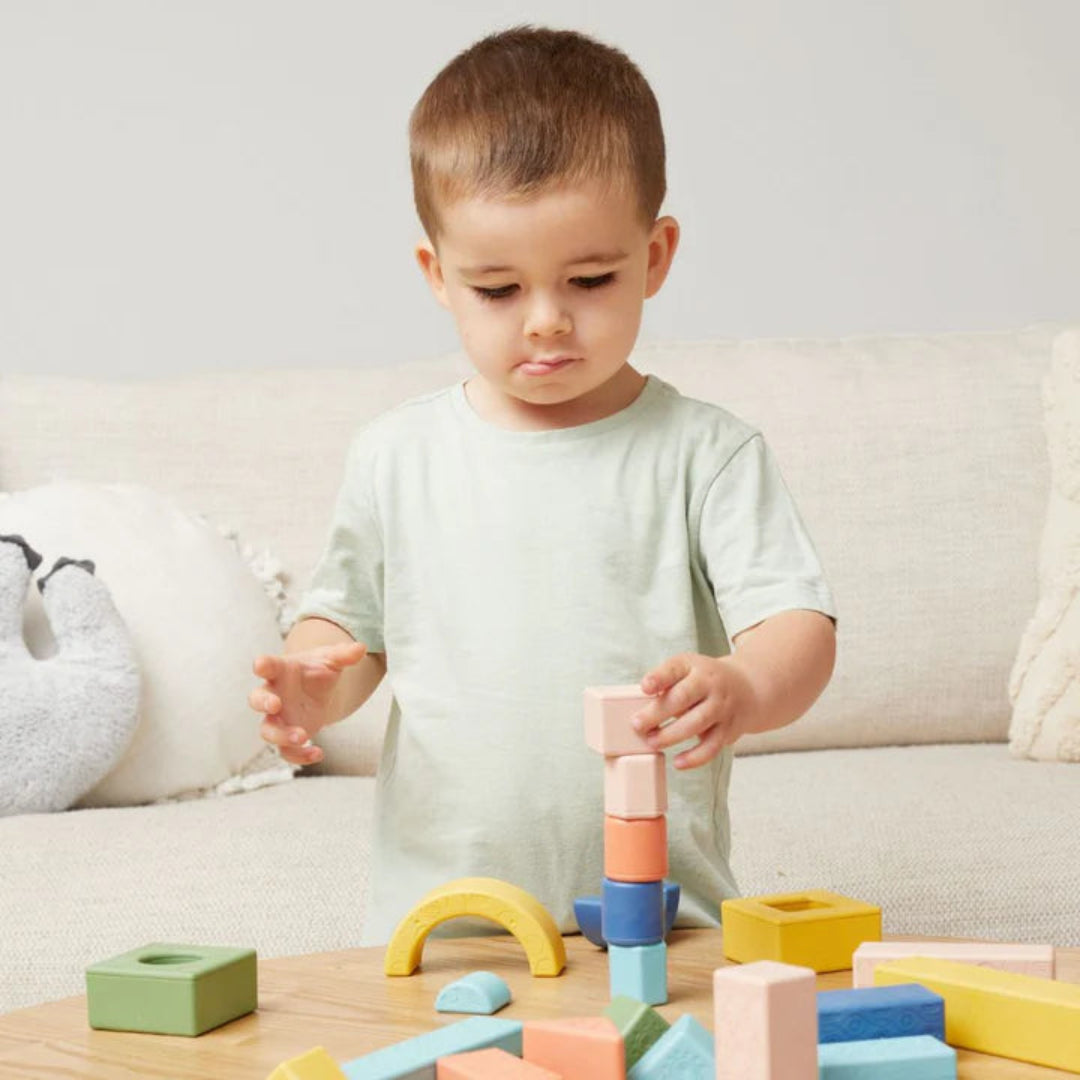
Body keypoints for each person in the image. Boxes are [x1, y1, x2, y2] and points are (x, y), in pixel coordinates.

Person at [249, 24, 837, 946]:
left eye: (591, 278)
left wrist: (744, 684)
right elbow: (349, 630)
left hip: (665, 918)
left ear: (655, 256)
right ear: (437, 277)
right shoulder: (396, 456)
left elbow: (796, 627)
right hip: (447, 921)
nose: (547, 322)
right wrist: (316, 680)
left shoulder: (703, 452)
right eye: (497, 290)